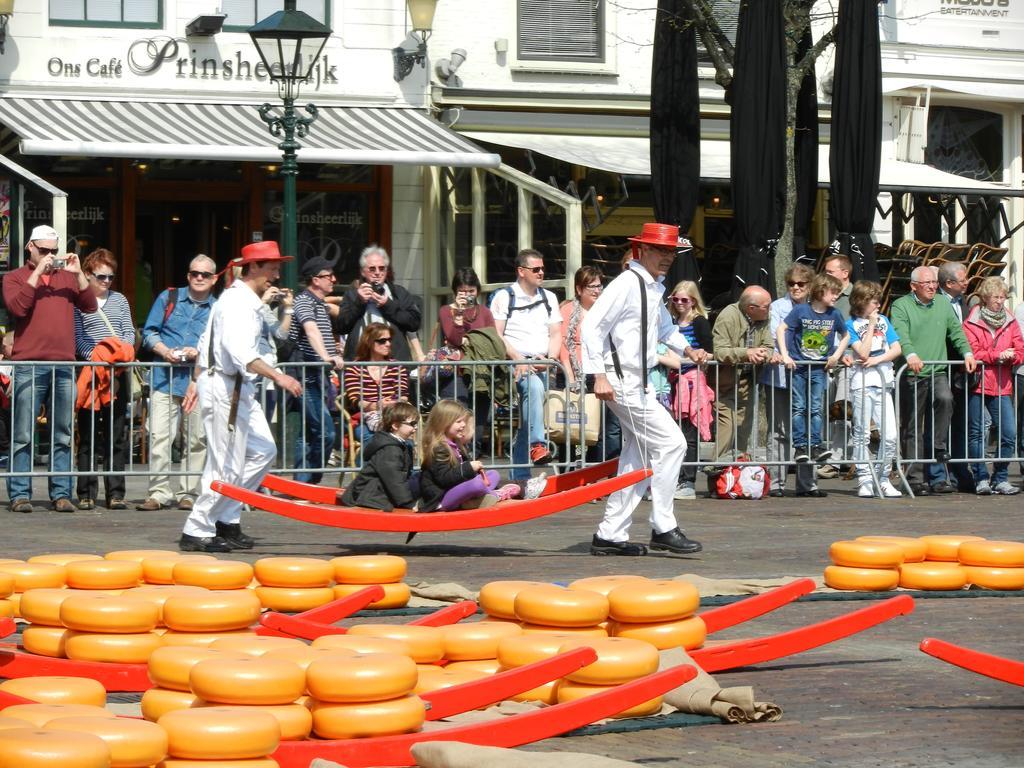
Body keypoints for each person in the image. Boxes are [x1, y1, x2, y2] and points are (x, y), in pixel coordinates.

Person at [581, 222, 707, 557]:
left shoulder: (652, 286)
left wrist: (689, 349)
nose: (668, 257)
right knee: (672, 444)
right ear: (643, 250)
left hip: (638, 382)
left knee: (636, 459)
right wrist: (599, 375)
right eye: (661, 250)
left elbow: (664, 327)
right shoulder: (627, 283)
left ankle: (610, 534)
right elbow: (591, 326)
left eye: (671, 251)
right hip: (623, 382)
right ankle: (663, 525)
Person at [180, 241, 302, 552]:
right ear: (254, 268)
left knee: (263, 450)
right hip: (226, 385)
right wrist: (279, 376)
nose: (276, 274)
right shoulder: (236, 302)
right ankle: (197, 527)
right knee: (224, 465)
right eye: (272, 267)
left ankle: (226, 517)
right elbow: (241, 354)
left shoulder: (247, 301)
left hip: (237, 386)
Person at [3, 225, 97, 513]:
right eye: (44, 250)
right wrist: (36, 274)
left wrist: (78, 272)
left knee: (63, 433)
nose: (50, 256)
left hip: (63, 364)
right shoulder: (14, 277)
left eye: (53, 251)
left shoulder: (67, 278)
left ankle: (61, 493)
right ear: (30, 247)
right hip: (29, 364)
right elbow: (17, 309)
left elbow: (90, 305)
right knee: (23, 434)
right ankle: (20, 493)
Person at [138, 255, 217, 511]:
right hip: (164, 377)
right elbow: (149, 332)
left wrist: (198, 352)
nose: (199, 278)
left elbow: (219, 347)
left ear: (214, 279)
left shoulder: (218, 309)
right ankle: (159, 492)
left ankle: (189, 493)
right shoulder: (168, 298)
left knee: (196, 440)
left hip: (198, 381)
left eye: (205, 274)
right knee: (160, 436)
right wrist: (165, 352)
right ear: (188, 275)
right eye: (195, 273)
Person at [890, 265, 977, 496]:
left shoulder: (942, 304)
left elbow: (956, 331)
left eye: (934, 282)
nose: (932, 286)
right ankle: (915, 478)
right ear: (913, 286)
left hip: (937, 370)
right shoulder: (901, 305)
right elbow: (900, 333)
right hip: (912, 373)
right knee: (912, 426)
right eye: (927, 283)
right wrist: (910, 354)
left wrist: (968, 352)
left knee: (945, 399)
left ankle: (938, 450)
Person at [491, 248, 562, 479]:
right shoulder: (504, 296)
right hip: (515, 363)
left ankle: (520, 477)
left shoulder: (549, 298)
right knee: (533, 388)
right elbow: (497, 334)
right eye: (536, 269)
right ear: (521, 271)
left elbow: (555, 334)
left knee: (528, 419)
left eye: (542, 268)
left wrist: (550, 359)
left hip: (541, 362)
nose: (541, 272)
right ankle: (538, 445)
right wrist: (518, 358)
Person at [73, 249, 135, 510]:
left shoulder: (120, 300)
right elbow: (78, 338)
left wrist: (120, 357)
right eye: (101, 276)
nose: (106, 281)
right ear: (87, 275)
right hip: (91, 374)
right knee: (87, 435)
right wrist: (99, 358)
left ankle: (116, 493)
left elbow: (128, 332)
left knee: (116, 433)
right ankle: (86, 492)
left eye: (110, 277)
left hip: (117, 374)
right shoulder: (78, 302)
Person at [760, 263, 821, 497]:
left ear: (810, 286)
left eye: (801, 284)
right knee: (779, 429)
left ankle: (808, 483)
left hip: (808, 375)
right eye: (791, 283)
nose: (795, 287)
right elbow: (776, 335)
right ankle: (776, 483)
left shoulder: (817, 306)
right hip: (781, 377)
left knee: (810, 428)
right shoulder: (778, 307)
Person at [417, 399, 541, 512]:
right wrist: (469, 468)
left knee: (493, 475)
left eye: (463, 421)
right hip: (441, 498)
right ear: (443, 424)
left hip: (455, 489)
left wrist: (475, 472)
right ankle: (496, 495)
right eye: (459, 422)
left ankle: (475, 499)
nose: (463, 425)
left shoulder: (456, 444)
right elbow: (444, 479)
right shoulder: (438, 448)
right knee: (477, 484)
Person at [778, 274, 851, 465]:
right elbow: (781, 329)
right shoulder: (801, 310)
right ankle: (800, 445)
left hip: (819, 368)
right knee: (799, 406)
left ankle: (816, 444)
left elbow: (845, 335)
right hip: (799, 367)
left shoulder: (834, 314)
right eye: (833, 292)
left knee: (816, 407)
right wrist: (785, 355)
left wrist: (836, 356)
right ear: (821, 291)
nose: (836, 296)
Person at [962, 276, 1023, 496]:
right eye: (996, 297)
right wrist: (996, 355)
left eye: (1003, 297)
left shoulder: (1010, 320)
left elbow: (1020, 348)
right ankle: (980, 477)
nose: (1000, 301)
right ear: (985, 297)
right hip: (979, 382)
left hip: (1002, 384)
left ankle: (1001, 477)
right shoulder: (972, 321)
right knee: (977, 433)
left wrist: (1012, 356)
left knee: (1008, 433)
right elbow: (972, 351)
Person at [845, 281, 903, 498]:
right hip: (861, 383)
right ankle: (865, 478)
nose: (878, 304)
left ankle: (883, 477)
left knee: (890, 435)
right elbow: (862, 352)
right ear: (861, 302)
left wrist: (878, 359)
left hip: (883, 382)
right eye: (873, 300)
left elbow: (896, 348)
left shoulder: (885, 321)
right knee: (862, 433)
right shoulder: (850, 324)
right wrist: (870, 326)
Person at [288, 255, 343, 484]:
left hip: (319, 376)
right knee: (326, 431)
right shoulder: (304, 302)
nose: (333, 279)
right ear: (315, 280)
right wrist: (327, 357)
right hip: (305, 376)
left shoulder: (321, 304)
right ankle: (310, 481)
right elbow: (311, 331)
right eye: (328, 276)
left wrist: (335, 351)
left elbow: (322, 334)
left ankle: (302, 483)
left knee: (309, 432)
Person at [427, 267, 495, 446]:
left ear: (478, 291)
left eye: (471, 291)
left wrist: (468, 341)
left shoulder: (485, 312)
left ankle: (473, 466)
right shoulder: (445, 311)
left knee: (477, 428)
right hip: (455, 374)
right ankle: (454, 467)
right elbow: (455, 339)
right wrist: (458, 316)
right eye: (462, 291)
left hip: (480, 373)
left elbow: (491, 342)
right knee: (455, 425)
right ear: (455, 292)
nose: (467, 295)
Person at [560, 265, 621, 463]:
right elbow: (564, 344)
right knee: (573, 428)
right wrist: (570, 377)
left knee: (606, 427)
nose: (597, 290)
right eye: (591, 287)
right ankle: (568, 475)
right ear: (579, 289)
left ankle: (603, 472)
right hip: (576, 374)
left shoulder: (606, 309)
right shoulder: (568, 309)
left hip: (603, 372)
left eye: (599, 286)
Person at [711, 286, 775, 460]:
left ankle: (736, 476)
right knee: (728, 428)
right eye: (767, 306)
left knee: (743, 430)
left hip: (748, 380)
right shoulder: (728, 316)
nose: (770, 309)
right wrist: (747, 353)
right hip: (725, 381)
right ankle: (715, 470)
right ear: (751, 308)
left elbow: (769, 346)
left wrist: (764, 354)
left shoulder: (763, 316)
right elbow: (720, 351)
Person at [665, 280, 713, 499]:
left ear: (693, 301)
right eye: (676, 299)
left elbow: (709, 351)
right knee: (672, 433)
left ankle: (688, 481)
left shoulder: (700, 322)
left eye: (684, 299)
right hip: (670, 380)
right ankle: (673, 479)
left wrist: (690, 358)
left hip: (691, 380)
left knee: (689, 433)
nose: (680, 303)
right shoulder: (670, 322)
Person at [335, 245, 422, 363]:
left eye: (382, 268)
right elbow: (341, 327)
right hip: (361, 365)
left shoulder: (399, 293)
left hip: (394, 364)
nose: (377, 273)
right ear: (363, 272)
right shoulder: (352, 295)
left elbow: (414, 323)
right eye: (372, 269)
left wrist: (387, 305)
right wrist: (359, 302)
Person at [342, 322, 411, 453]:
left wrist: (393, 404)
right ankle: (370, 472)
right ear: (369, 342)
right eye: (382, 340)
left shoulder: (397, 366)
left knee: (405, 441)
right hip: (363, 418)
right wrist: (376, 405)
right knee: (372, 440)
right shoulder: (355, 367)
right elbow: (355, 400)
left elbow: (403, 394)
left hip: (393, 416)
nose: (388, 344)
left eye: (389, 340)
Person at [937, 260, 975, 493]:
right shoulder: (937, 302)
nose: (968, 283)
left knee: (961, 421)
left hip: (962, 369)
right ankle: (940, 473)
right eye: (964, 280)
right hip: (942, 366)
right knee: (940, 423)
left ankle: (961, 469)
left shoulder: (963, 302)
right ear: (949, 283)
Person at [340, 401, 420, 511]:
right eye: (412, 424)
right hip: (369, 498)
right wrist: (409, 503)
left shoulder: (401, 445)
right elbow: (394, 480)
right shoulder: (390, 450)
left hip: (381, 495)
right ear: (395, 425)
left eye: (416, 424)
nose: (415, 428)